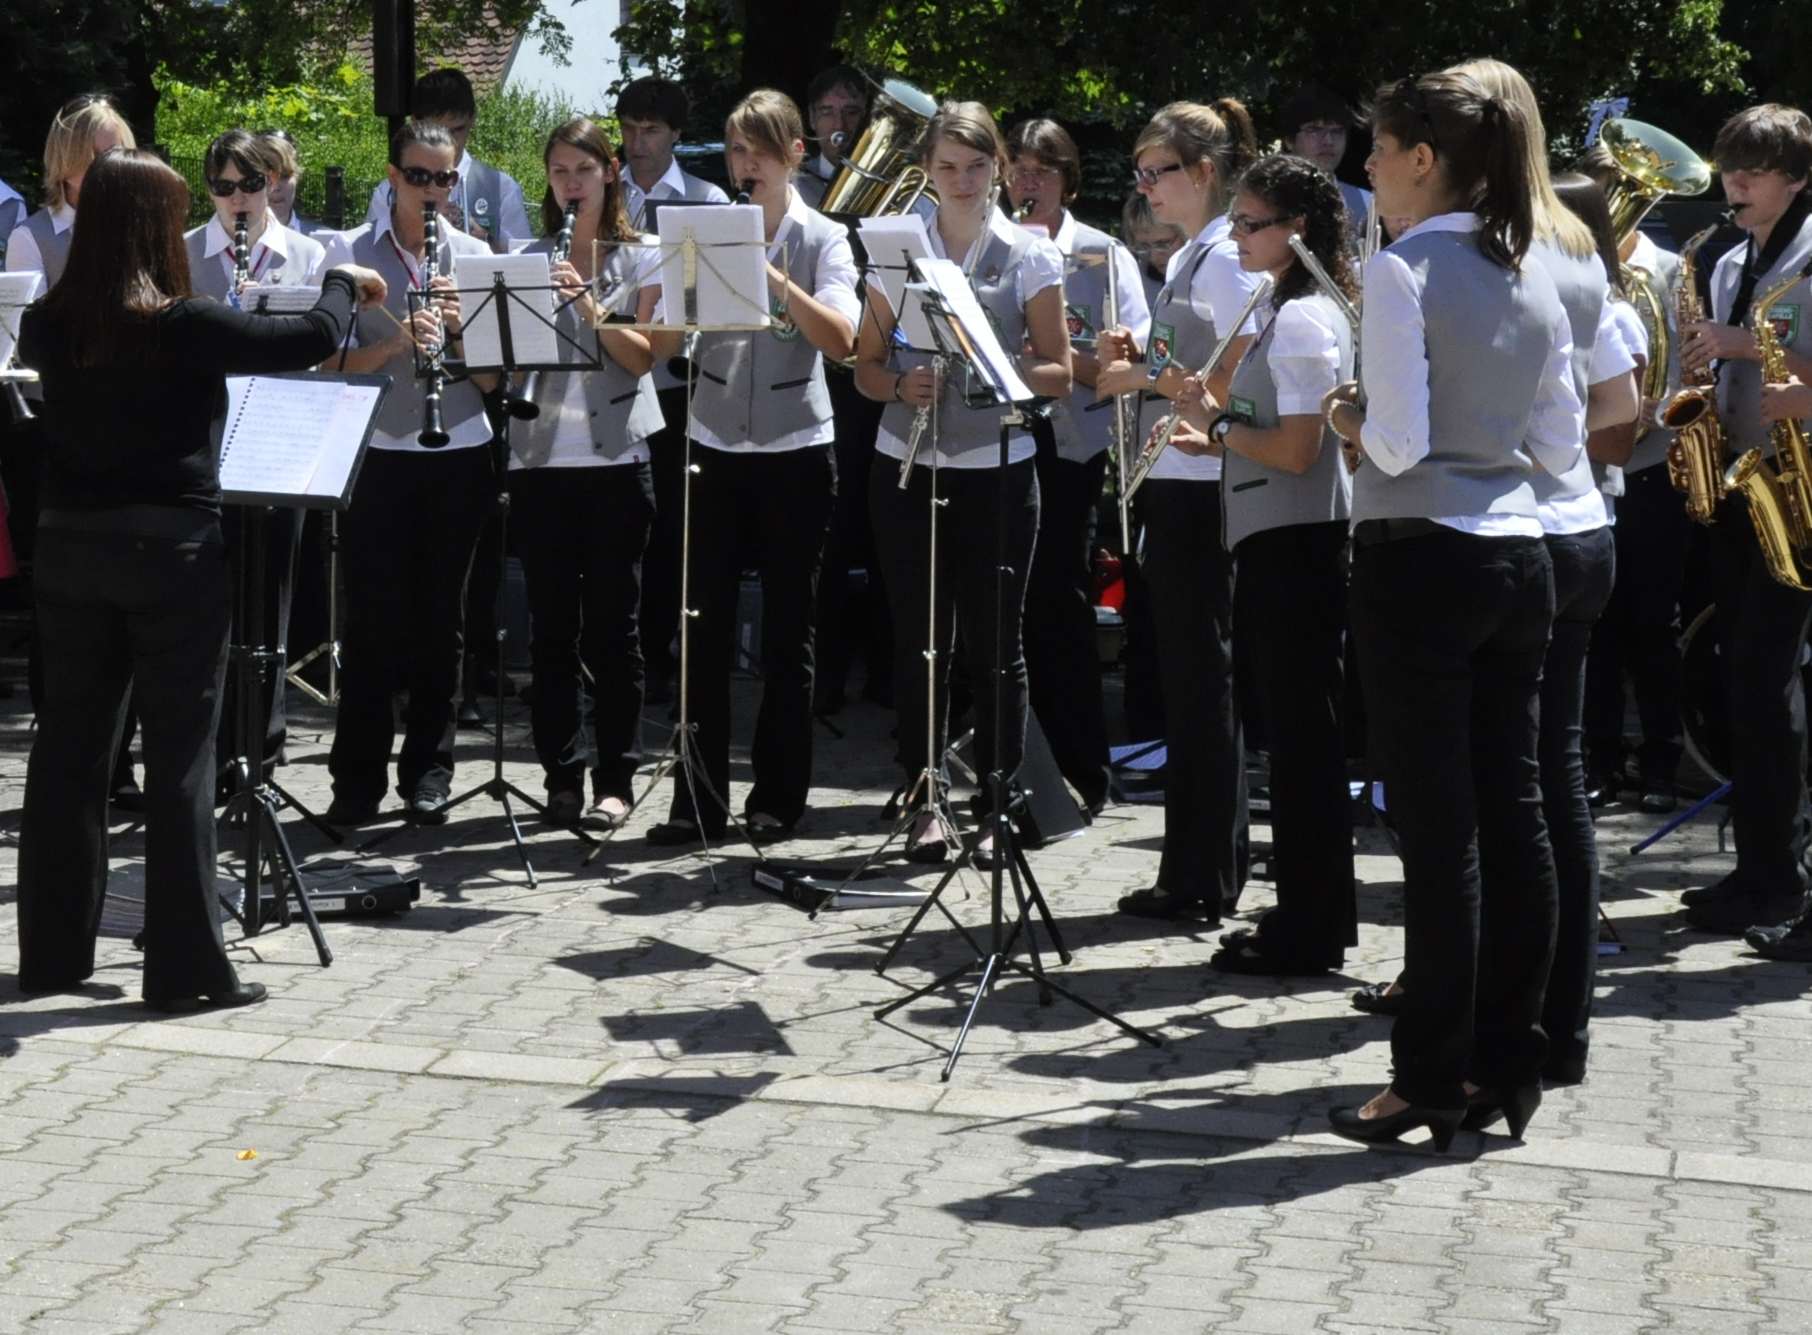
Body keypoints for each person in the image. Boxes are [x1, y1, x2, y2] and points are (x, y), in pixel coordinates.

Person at [13, 146, 383, 1009]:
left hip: (68, 553)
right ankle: (185, 972)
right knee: (183, 754)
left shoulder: (46, 323)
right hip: (170, 556)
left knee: (69, 750)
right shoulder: (182, 323)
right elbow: (309, 338)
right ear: (157, 229)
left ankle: (54, 958)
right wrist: (342, 279)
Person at [1321, 70, 1583, 1148]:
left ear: (1423, 159)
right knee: (1514, 819)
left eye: (1377, 153)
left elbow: (1393, 442)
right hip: (1521, 554)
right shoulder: (1536, 268)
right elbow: (1562, 445)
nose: (1368, 172)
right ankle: (1503, 1066)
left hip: (1422, 556)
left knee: (1442, 838)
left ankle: (1427, 1073)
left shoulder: (1405, 267)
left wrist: (1346, 413)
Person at [854, 100, 1071, 861]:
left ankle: (999, 803)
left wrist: (994, 368)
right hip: (909, 465)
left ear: (999, 169)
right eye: (947, 167)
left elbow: (1058, 370)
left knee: (996, 647)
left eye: (977, 166)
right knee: (920, 641)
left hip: (998, 470)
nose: (963, 180)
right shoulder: (896, 250)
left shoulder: (1030, 254)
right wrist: (898, 384)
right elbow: (865, 366)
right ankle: (923, 798)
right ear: (926, 172)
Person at [645, 89, 859, 846]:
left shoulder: (825, 237)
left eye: (762, 151)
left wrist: (772, 278)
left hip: (796, 451)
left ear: (795, 154)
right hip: (711, 443)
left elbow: (842, 342)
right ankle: (695, 798)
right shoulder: (701, 231)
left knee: (786, 635)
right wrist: (670, 294)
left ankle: (777, 797)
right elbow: (665, 348)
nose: (747, 165)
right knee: (697, 626)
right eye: (737, 150)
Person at [1169, 152, 1357, 974]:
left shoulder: (1310, 316)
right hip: (1279, 539)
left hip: (1301, 542)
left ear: (1298, 230)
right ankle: (1306, 916)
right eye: (1238, 221)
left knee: (1303, 742)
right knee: (1292, 738)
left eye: (1253, 224)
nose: (1238, 236)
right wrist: (1208, 420)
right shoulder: (1284, 304)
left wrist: (1213, 426)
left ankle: (1310, 928)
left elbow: (1296, 447)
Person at [1094, 98, 1262, 922]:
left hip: (1204, 485)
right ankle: (1202, 864)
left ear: (1203, 173)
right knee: (1195, 678)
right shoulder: (1199, 254)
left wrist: (1145, 378)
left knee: (1202, 681)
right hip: (1184, 481)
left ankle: (1202, 874)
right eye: (1140, 174)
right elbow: (1190, 359)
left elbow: (1232, 369)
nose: (1146, 188)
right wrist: (1147, 360)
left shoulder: (1225, 255)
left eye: (1157, 172)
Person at [319, 118, 498, 825]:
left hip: (457, 447)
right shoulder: (350, 255)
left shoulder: (477, 256)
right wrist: (392, 344)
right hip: (377, 451)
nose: (431, 191)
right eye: (418, 176)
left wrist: (458, 331)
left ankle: (430, 770)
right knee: (369, 621)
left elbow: (494, 380)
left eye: (443, 178)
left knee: (441, 621)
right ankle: (355, 781)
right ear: (392, 176)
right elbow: (322, 361)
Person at [1676, 104, 1812, 949]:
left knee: (1769, 686)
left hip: (1798, 495)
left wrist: (1740, 348)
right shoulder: (1728, 258)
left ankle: (1779, 875)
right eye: (1729, 170)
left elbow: (1788, 365)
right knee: (1745, 687)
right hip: (1740, 486)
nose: (1735, 185)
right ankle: (1759, 868)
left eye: (1753, 173)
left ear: (1797, 177)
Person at [507, 117, 661, 832]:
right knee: (550, 634)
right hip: (540, 464)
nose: (571, 182)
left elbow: (643, 358)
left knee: (615, 630)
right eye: (559, 170)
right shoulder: (524, 257)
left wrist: (589, 304)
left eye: (583, 169)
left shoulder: (643, 259)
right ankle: (561, 776)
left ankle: (617, 778)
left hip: (617, 464)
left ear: (610, 173)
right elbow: (498, 367)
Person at [1005, 116, 1149, 816]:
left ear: (1068, 179)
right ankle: (1009, 768)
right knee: (1001, 606)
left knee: (1059, 606)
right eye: (1019, 169)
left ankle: (1081, 770)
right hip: (994, 443)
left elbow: (1130, 362)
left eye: (1044, 170)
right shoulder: (987, 244)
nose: (1027, 183)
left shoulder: (1103, 254)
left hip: (1069, 448)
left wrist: (1064, 363)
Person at [1577, 143, 1690, 814]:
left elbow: (1685, 366)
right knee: (1596, 621)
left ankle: (1660, 757)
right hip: (1594, 463)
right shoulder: (1572, 272)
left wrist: (1653, 409)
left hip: (1650, 464)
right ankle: (1596, 757)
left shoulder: (1669, 271)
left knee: (1652, 620)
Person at [615, 75, 732, 706]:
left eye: (651, 131)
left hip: (679, 384)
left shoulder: (708, 201)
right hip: (617, 380)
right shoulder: (607, 196)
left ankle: (663, 657)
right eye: (630, 130)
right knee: (626, 526)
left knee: (671, 529)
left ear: (677, 137)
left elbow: (712, 299)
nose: (638, 144)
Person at [362, 68, 532, 252]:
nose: (448, 142)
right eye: (437, 132)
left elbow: (523, 268)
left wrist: (483, 239)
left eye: (457, 130)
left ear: (472, 119)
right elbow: (370, 253)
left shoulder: (502, 188)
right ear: (415, 122)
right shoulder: (388, 191)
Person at [184, 129, 326, 302]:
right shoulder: (181, 251)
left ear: (271, 182)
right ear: (209, 191)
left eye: (250, 184)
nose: (238, 198)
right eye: (224, 187)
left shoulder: (310, 254)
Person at [1279, 83, 1372, 249]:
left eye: (1337, 131)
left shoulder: (1367, 204)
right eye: (1314, 129)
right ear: (1289, 140)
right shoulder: (1266, 202)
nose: (1328, 140)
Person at [796, 64, 868, 208]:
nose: (839, 125)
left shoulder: (889, 186)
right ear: (812, 118)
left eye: (851, 112)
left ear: (866, 118)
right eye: (827, 112)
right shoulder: (792, 186)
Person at [258, 128, 318, 236]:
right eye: (267, 178)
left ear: (297, 176)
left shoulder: (322, 242)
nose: (276, 187)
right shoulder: (231, 243)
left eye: (284, 176)